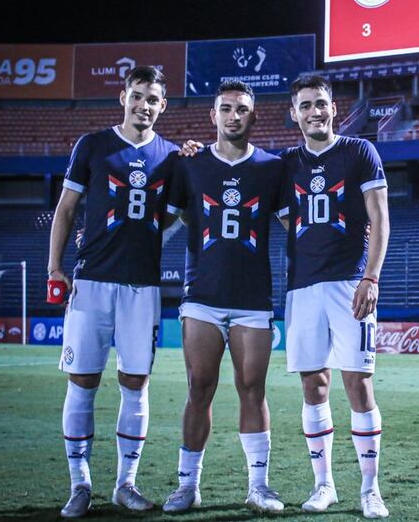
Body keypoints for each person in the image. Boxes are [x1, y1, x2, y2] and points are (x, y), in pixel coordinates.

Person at [48, 66, 180, 517]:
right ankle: (79, 483)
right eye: (137, 95)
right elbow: (66, 209)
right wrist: (55, 268)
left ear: (163, 106)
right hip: (92, 282)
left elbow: (176, 214)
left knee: (135, 384)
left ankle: (126, 483)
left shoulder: (172, 156)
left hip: (142, 286)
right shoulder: (93, 145)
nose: (144, 105)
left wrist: (158, 233)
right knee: (82, 382)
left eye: (153, 99)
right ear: (123, 97)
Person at [161, 80, 284, 514]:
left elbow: (297, 227)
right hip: (202, 297)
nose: (234, 115)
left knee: (253, 388)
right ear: (212, 115)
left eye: (243, 109)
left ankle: (259, 487)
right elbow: (163, 223)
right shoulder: (189, 165)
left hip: (253, 298)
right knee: (199, 387)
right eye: (226, 108)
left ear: (255, 116)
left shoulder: (273, 167)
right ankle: (187, 486)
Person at [279, 75, 390, 519]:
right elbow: (287, 217)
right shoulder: (287, 163)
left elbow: (380, 218)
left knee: (358, 383)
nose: (314, 112)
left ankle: (370, 489)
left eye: (321, 104)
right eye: (305, 105)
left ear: (333, 107)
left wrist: (372, 277)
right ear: (294, 113)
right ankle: (324, 484)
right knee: (313, 384)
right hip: (303, 287)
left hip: (350, 284)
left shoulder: (360, 151)